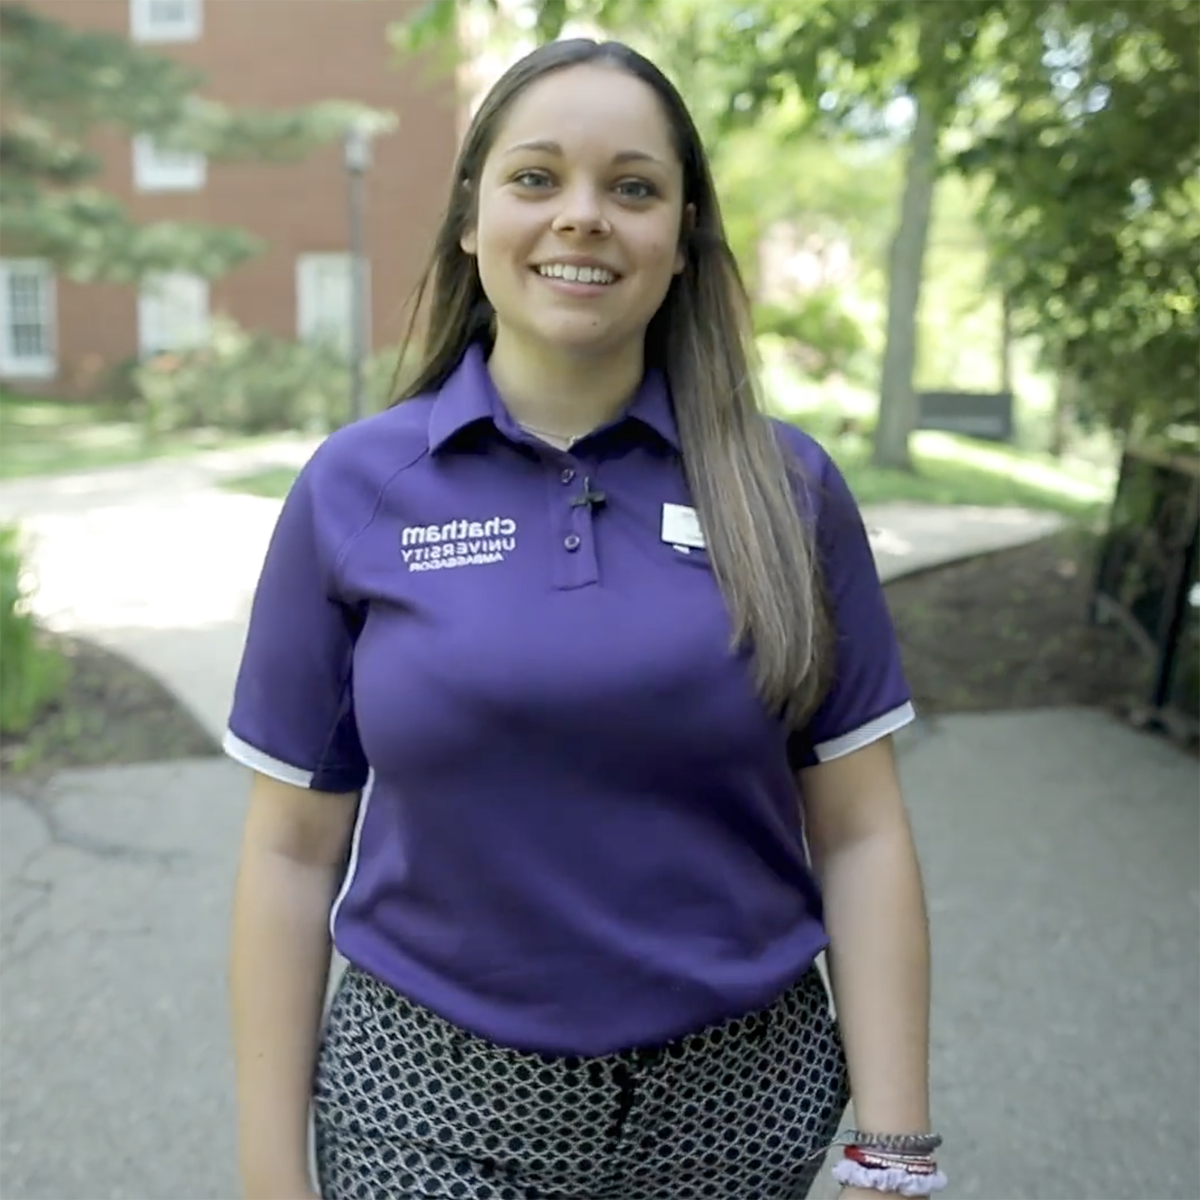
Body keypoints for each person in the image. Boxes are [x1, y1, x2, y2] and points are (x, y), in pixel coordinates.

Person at [226, 36, 942, 1200]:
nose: (583, 217)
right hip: (429, 1106)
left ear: (683, 236)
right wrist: (270, 1175)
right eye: (535, 178)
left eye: (633, 187)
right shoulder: (354, 491)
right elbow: (289, 852)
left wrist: (894, 1146)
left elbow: (859, 831)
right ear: (470, 219)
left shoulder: (787, 487)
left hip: (741, 1115)